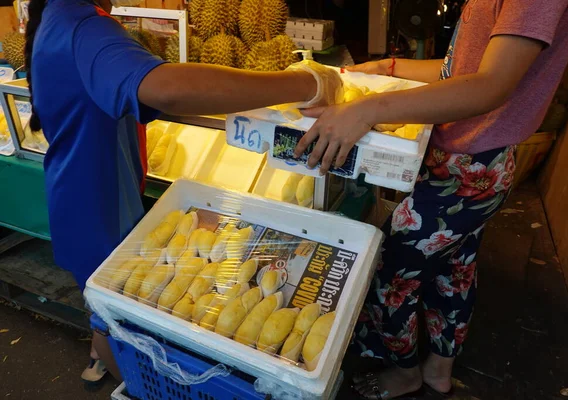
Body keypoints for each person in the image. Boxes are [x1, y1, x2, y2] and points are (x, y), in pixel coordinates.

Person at [24, 0, 342, 385]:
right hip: (97, 213)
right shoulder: (85, 29)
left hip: (77, 199)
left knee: (106, 311)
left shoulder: (60, 15)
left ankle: (104, 348)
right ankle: (132, 376)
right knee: (116, 322)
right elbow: (169, 89)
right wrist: (307, 83)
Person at [292, 0, 568, 398]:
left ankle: (405, 372)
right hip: (479, 160)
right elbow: (460, 72)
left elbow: (491, 84)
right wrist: (387, 69)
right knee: (455, 268)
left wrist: (366, 109)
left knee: (387, 273)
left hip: (468, 169)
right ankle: (439, 369)